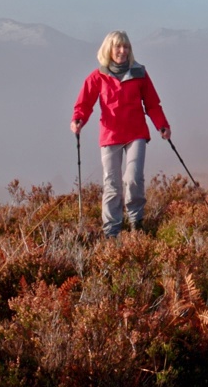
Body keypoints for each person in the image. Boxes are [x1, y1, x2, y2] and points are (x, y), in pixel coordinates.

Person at [71, 31, 171, 237]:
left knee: (133, 178)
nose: (122, 51)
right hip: (110, 135)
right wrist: (78, 120)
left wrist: (162, 125)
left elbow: (152, 104)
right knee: (112, 183)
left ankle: (136, 221)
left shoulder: (139, 73)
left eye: (126, 47)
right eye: (118, 47)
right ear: (109, 49)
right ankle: (112, 229)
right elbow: (84, 103)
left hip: (136, 133)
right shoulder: (98, 76)